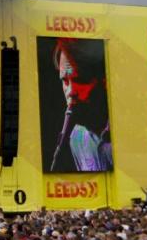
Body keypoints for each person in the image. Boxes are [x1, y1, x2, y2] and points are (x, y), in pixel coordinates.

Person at [48, 38, 113, 172]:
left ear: (104, 80)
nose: (70, 91)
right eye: (65, 81)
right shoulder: (76, 138)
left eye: (79, 80)